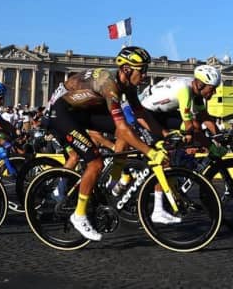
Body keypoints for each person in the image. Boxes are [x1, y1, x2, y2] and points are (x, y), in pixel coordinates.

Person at [47, 46, 167, 241]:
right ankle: (79, 215)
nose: (145, 75)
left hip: (85, 112)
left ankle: (113, 178)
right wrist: (151, 153)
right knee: (95, 162)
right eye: (142, 70)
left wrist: (161, 136)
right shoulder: (109, 84)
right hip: (63, 113)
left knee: (128, 131)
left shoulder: (128, 84)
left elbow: (139, 113)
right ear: (127, 69)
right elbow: (120, 127)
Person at [135, 64, 223, 141]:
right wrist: (190, 135)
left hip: (162, 113)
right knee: (164, 144)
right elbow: (188, 125)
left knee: (196, 126)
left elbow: (204, 116)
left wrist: (219, 135)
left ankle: (212, 151)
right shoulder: (185, 90)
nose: (214, 92)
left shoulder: (195, 90)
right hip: (146, 113)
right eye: (212, 89)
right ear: (200, 85)